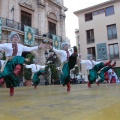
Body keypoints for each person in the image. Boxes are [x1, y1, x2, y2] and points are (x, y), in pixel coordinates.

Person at [0, 31, 47, 96]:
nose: (15, 38)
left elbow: (29, 49)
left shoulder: (20, 46)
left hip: (17, 62)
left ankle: (17, 69)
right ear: (11, 38)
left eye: (17, 37)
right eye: (14, 37)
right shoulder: (6, 45)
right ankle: (10, 88)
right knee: (7, 75)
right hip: (9, 62)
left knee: (19, 57)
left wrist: (38, 46)